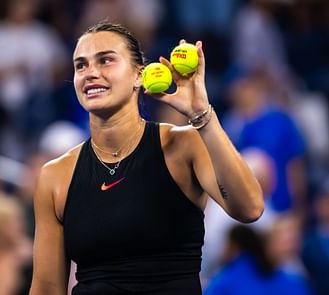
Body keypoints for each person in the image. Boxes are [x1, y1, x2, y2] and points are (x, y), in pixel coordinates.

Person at [29, 21, 264, 294]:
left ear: (139, 75)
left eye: (105, 60)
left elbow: (250, 208)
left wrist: (202, 115)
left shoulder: (183, 144)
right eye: (81, 65)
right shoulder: (55, 175)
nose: (90, 73)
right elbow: (46, 287)